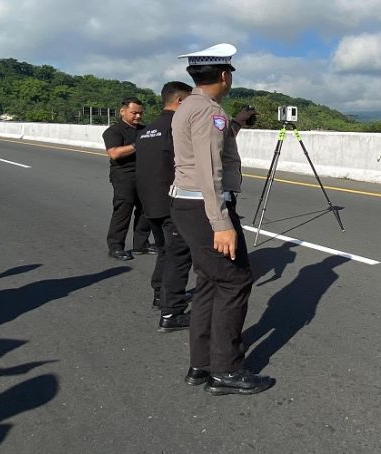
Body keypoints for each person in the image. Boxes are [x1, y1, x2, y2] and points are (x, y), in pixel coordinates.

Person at [169, 43, 272, 396]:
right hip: (204, 206)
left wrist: (236, 123)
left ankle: (201, 364)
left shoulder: (188, 107)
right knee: (234, 281)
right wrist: (221, 222)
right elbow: (209, 169)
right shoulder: (209, 112)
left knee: (210, 282)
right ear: (225, 76)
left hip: (187, 205)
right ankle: (226, 369)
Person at [136, 81, 195, 332]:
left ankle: (160, 295)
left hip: (150, 202)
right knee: (178, 256)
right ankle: (173, 310)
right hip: (172, 201)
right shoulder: (176, 126)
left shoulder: (148, 129)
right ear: (180, 101)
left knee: (164, 251)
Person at [102, 97, 157, 260]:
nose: (138, 117)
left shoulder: (146, 129)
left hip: (145, 175)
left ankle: (141, 244)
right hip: (123, 176)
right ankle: (116, 246)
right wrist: (138, 144)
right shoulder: (114, 131)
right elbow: (114, 153)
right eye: (134, 113)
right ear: (123, 111)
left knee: (146, 211)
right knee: (123, 211)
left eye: (140, 113)